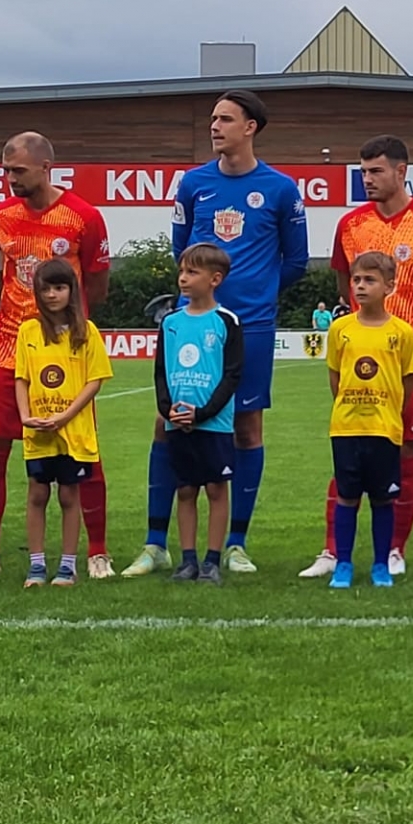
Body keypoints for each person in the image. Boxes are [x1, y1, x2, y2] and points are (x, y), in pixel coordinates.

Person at [125, 90, 307, 578]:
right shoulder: (194, 184)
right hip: (192, 324)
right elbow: (182, 251)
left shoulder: (281, 189)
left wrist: (256, 293)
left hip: (252, 325)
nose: (215, 126)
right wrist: (200, 301)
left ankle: (235, 545)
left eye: (225, 119)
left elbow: (295, 261)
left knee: (246, 428)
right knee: (168, 421)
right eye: (213, 118)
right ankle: (156, 544)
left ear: (250, 127)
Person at [0, 132, 114, 581]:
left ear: (46, 167)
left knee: (83, 449)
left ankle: (97, 552)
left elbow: (97, 286)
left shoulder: (84, 217)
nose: (10, 178)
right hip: (10, 348)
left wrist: (67, 328)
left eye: (18, 170)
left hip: (65, 352)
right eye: (6, 170)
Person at [302, 135, 413, 579]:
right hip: (361, 362)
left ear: (401, 171)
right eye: (363, 171)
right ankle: (334, 551)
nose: (367, 179)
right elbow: (343, 282)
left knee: (406, 450)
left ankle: (393, 549)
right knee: (350, 449)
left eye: (376, 171)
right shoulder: (351, 224)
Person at [12, 259, 111, 588]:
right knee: (37, 493)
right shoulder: (28, 331)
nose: (52, 295)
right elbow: (21, 379)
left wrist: (65, 416)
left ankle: (68, 566)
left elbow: (94, 381)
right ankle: (37, 565)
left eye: (59, 288)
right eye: (46, 289)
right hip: (39, 433)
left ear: (72, 291)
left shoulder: (87, 332)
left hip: (73, 433)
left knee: (69, 496)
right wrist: (25, 416)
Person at [324, 252, 413, 590]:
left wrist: (390, 412)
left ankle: (381, 564)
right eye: (356, 280)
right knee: (347, 497)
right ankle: (343, 565)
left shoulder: (402, 332)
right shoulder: (340, 329)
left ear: (389, 286)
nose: (361, 286)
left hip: (384, 429)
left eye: (370, 280)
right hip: (347, 428)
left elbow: (408, 380)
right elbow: (335, 377)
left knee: (382, 498)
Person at [155, 245, 243, 586]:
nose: (183, 278)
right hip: (177, 423)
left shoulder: (226, 321)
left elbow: (232, 375)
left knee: (217, 489)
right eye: (182, 271)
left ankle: (212, 560)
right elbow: (161, 372)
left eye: (192, 272)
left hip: (214, 424)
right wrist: (167, 409)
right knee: (186, 490)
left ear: (215, 279)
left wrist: (204, 413)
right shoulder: (171, 323)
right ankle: (188, 560)